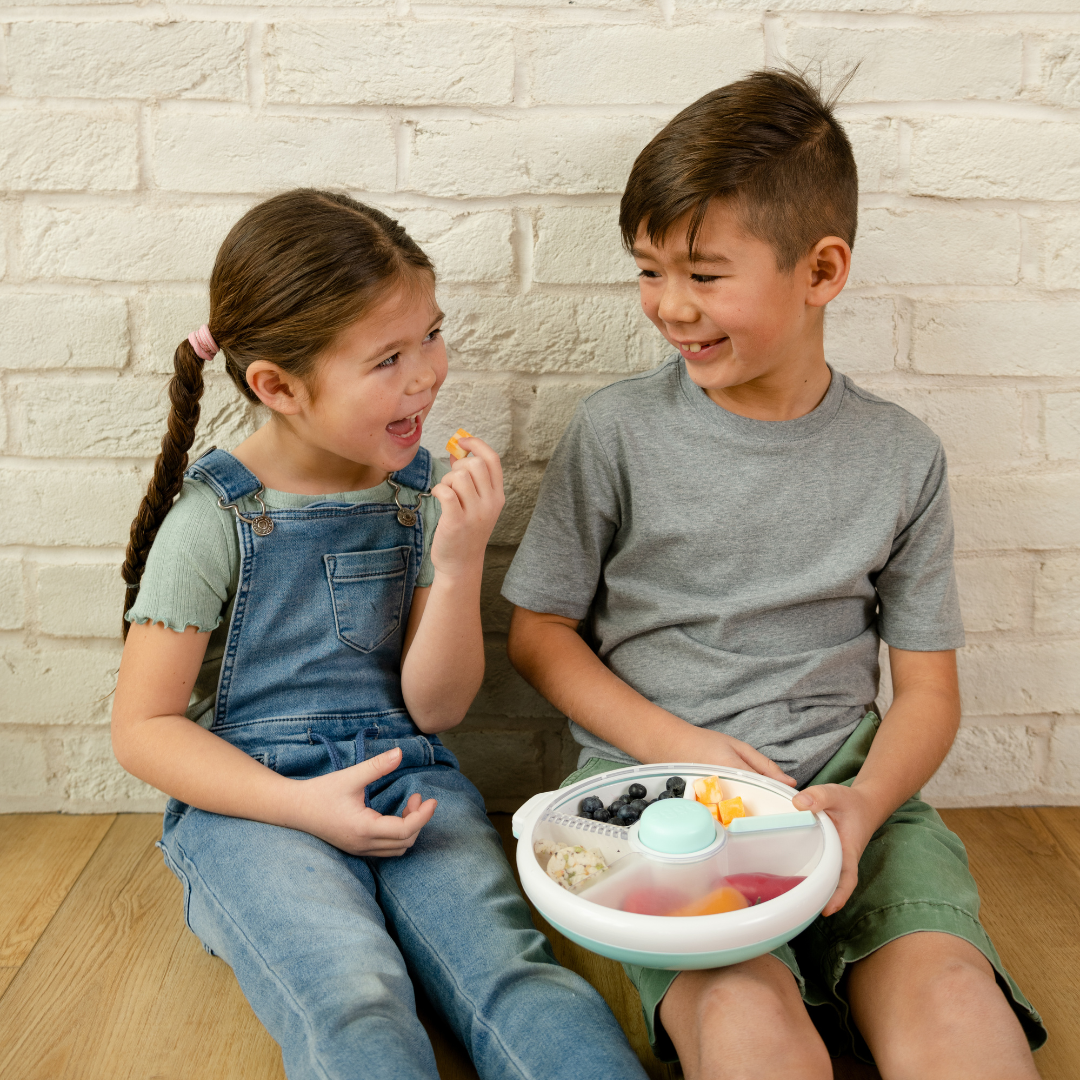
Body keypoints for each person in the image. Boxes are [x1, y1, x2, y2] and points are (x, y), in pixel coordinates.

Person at [502, 72, 1046, 1080]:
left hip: (850, 795)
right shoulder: (616, 432)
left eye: (704, 275)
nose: (671, 307)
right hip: (659, 800)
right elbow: (539, 633)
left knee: (958, 1013)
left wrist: (867, 805)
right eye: (650, 272)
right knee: (752, 1035)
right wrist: (681, 747)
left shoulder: (904, 457)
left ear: (823, 269)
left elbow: (927, 689)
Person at [111, 190, 648, 1080]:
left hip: (409, 777)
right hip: (251, 801)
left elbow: (433, 707)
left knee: (515, 979)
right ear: (277, 386)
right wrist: (298, 806)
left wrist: (463, 555)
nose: (426, 375)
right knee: (353, 993)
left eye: (430, 335)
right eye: (388, 358)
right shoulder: (213, 521)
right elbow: (143, 728)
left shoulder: (418, 495)